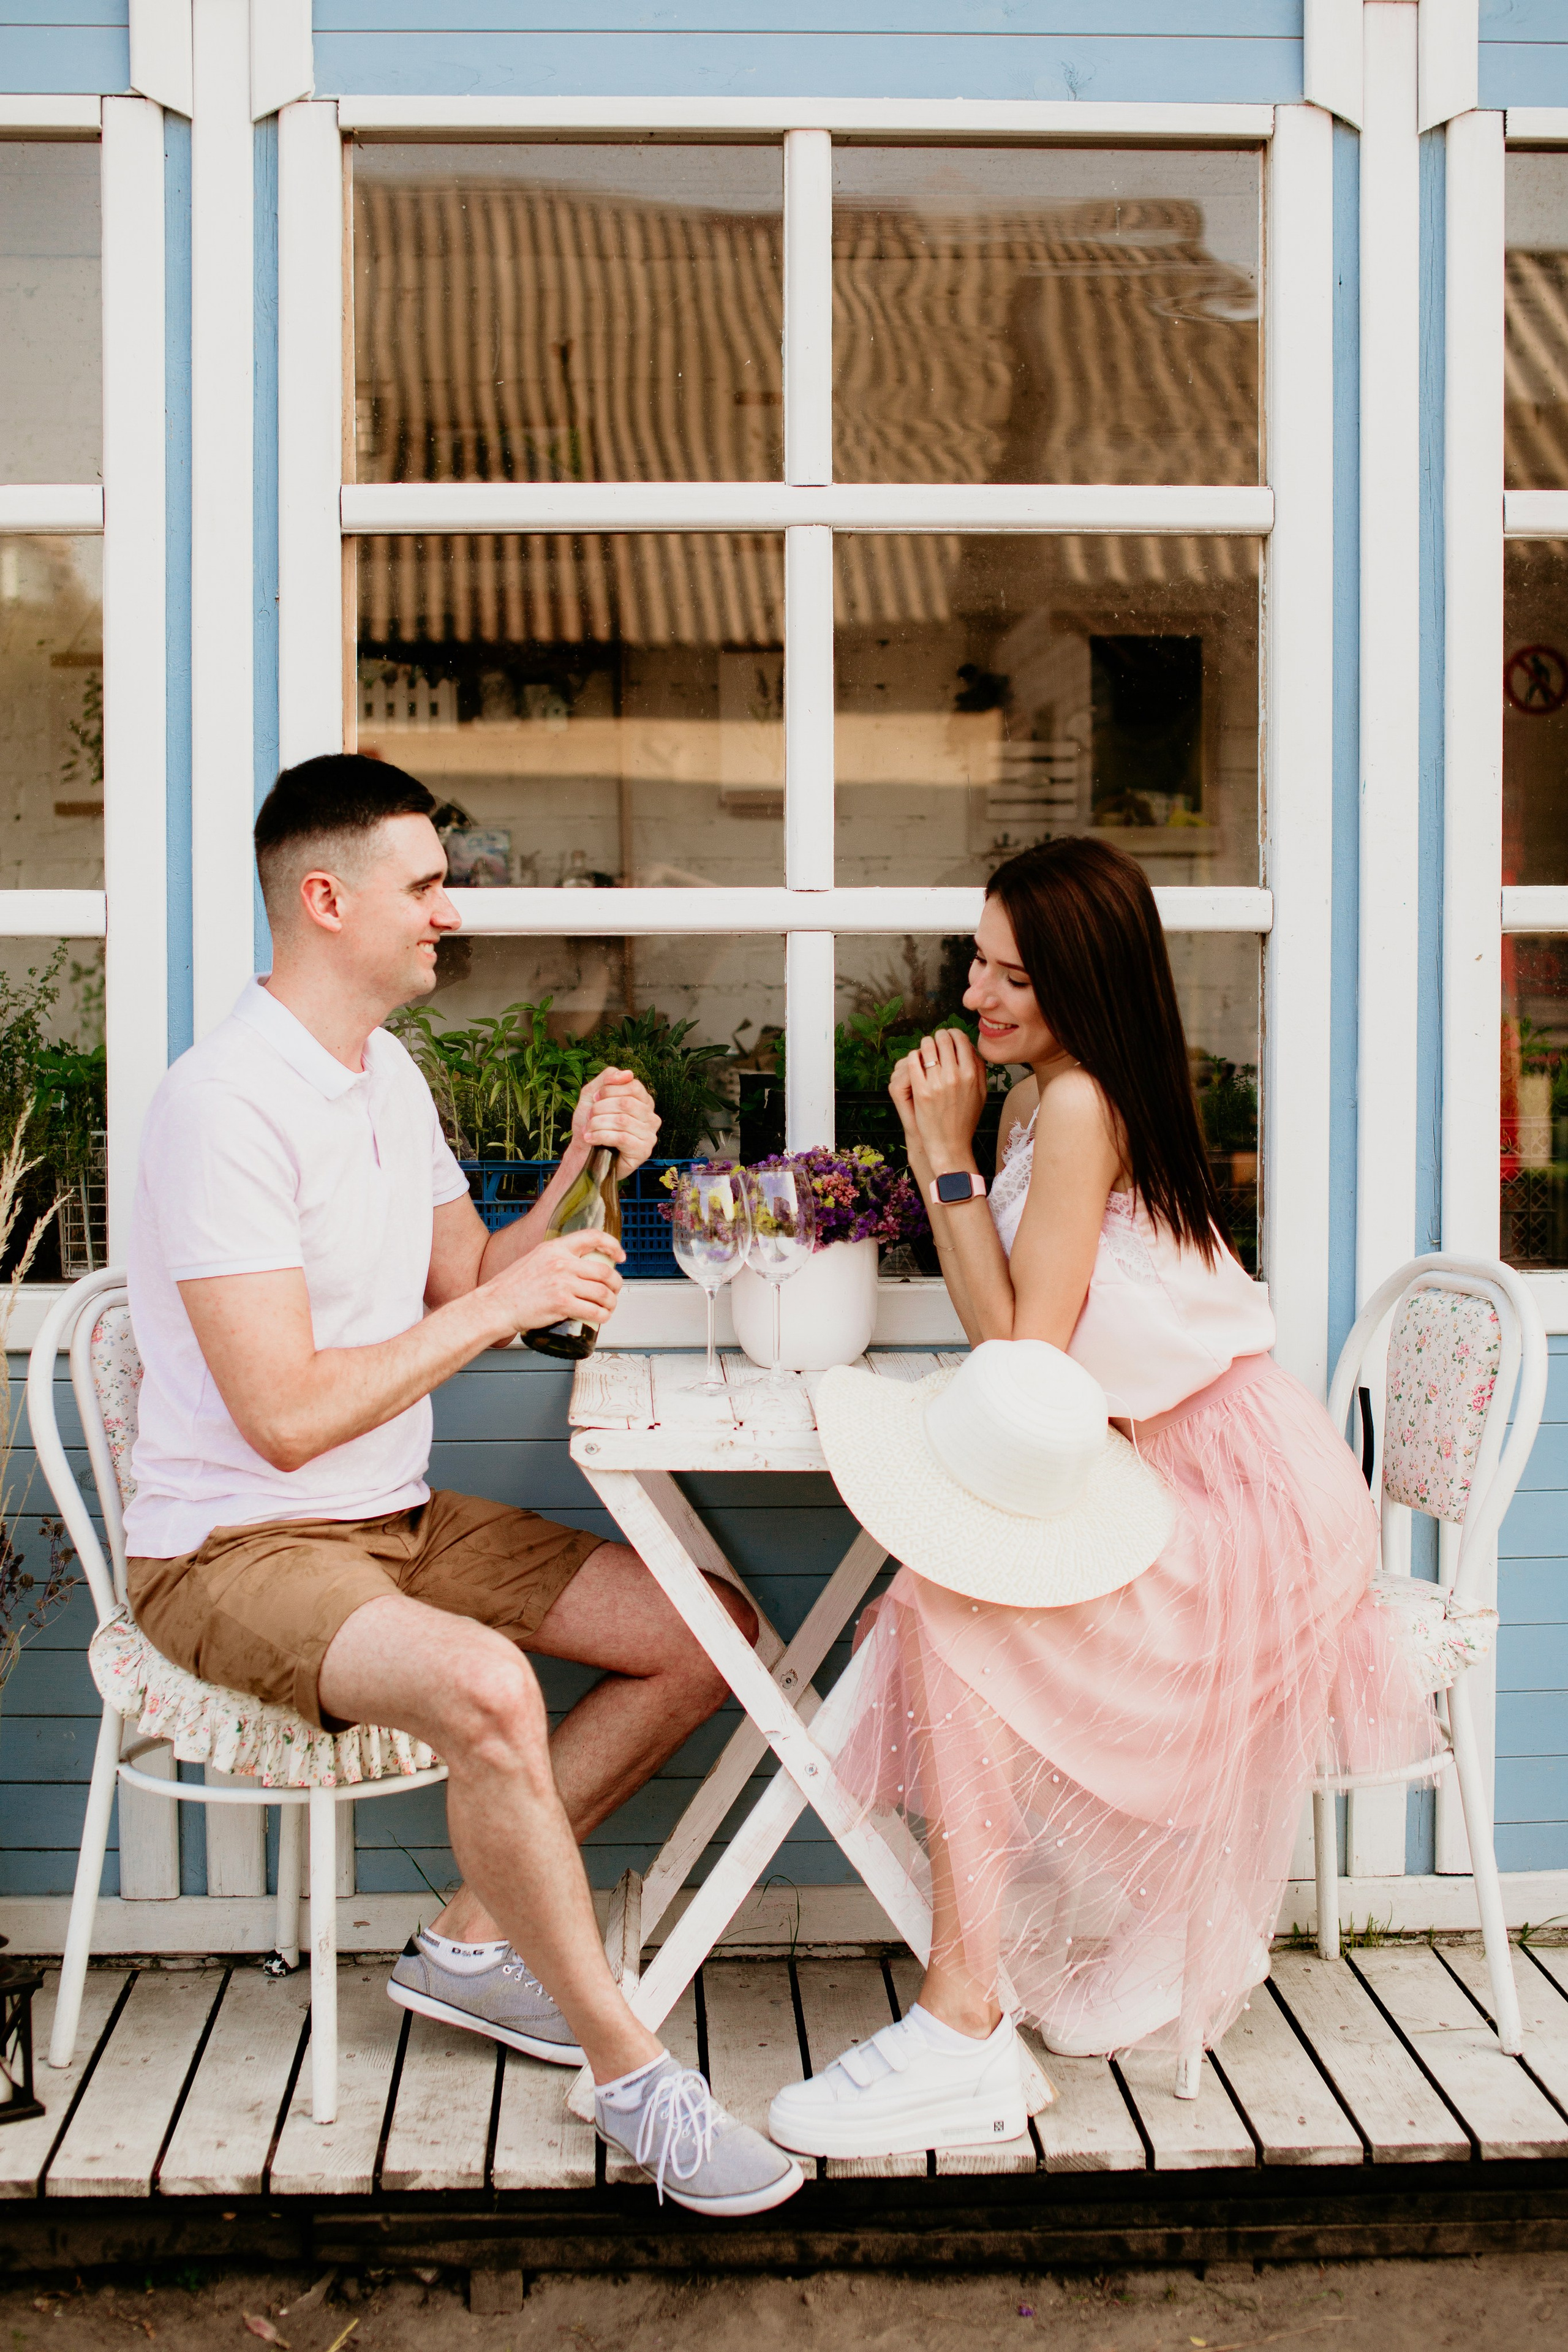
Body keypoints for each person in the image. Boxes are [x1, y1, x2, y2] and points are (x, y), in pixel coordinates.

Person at [124, 754, 802, 2216]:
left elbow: (469, 1279)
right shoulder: (224, 1107)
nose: (448, 912)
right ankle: (636, 2082)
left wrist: (574, 1164)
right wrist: (506, 1310)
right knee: (493, 1686)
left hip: (397, 1524)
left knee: (709, 1634)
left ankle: (470, 1947)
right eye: (424, 886)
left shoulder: (386, 1074)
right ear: (327, 899)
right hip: (233, 1550)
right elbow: (289, 1416)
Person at [767, 836, 1441, 2159]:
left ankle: (961, 2019)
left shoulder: (1076, 1107)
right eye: (977, 960)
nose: (975, 995)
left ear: (1086, 980)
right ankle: (967, 2005)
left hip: (1238, 1490)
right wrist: (942, 1149)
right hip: (1148, 1461)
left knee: (953, 1613)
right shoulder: (1041, 1097)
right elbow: (1004, 1337)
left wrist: (940, 1155)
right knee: (942, 1599)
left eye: (1012, 974)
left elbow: (1017, 1348)